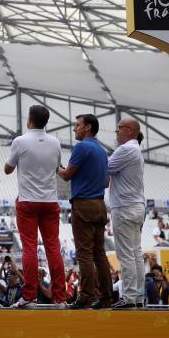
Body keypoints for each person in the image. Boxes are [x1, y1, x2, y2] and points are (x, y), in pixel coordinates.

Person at [4, 105, 66, 309]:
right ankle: (60, 298)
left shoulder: (20, 141)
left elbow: (7, 169)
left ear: (29, 120)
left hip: (28, 201)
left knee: (29, 247)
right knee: (53, 248)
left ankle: (29, 296)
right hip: (50, 201)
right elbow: (57, 166)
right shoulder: (55, 142)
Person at [57, 114, 112, 309]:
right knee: (100, 254)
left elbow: (66, 175)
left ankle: (86, 296)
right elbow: (106, 181)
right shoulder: (102, 150)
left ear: (88, 127)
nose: (74, 129)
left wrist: (56, 165)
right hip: (99, 204)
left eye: (77, 125)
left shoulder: (81, 147)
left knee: (85, 254)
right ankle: (106, 297)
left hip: (83, 204)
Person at [106, 117, 145, 309]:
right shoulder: (135, 149)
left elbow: (105, 168)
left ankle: (129, 298)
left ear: (129, 130)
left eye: (119, 128)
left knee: (126, 255)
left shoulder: (126, 149)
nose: (116, 132)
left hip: (124, 207)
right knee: (136, 254)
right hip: (136, 205)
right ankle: (136, 296)